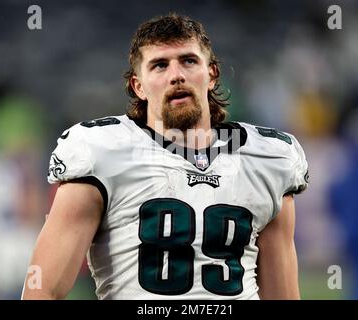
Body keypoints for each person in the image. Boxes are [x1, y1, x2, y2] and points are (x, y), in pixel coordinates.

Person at [22, 13, 309, 300]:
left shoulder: (268, 158)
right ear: (139, 86)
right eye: (160, 65)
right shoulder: (102, 152)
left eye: (188, 60)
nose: (176, 75)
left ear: (211, 74)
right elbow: (42, 289)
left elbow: (282, 296)